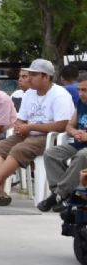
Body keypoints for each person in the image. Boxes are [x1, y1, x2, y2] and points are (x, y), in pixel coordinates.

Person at [0, 59, 74, 206]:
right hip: (28, 134)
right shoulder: (29, 93)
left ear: (46, 77)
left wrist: (30, 127)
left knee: (18, 149)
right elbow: (21, 119)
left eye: (33, 75)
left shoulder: (59, 95)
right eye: (29, 74)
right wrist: (19, 126)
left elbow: (62, 126)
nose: (29, 78)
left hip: (49, 137)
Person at [39, 73, 87, 212]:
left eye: (85, 90)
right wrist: (74, 132)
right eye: (79, 90)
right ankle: (61, 196)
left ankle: (58, 195)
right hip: (79, 143)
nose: (81, 94)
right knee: (51, 153)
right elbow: (69, 125)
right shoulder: (81, 103)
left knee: (83, 155)